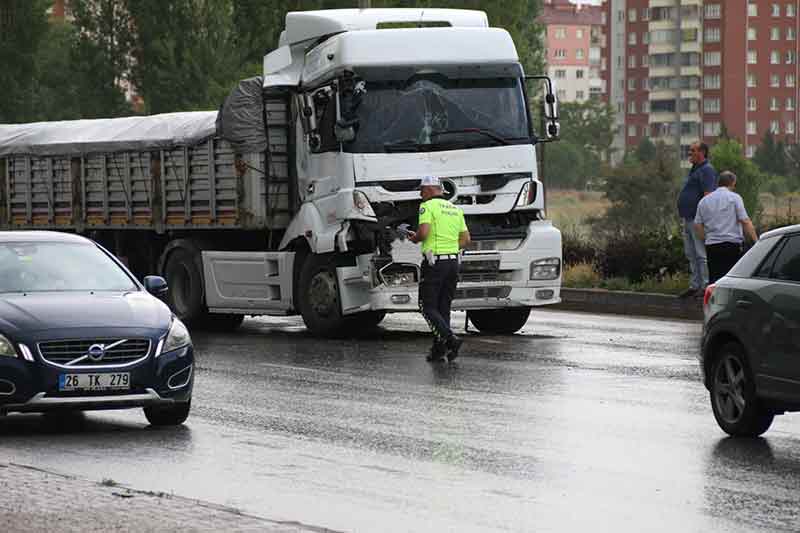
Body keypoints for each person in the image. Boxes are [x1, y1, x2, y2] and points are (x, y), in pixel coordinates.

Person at [408, 176, 471, 362]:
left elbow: (424, 233)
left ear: (429, 189)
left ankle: (450, 339)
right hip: (453, 262)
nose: (420, 194)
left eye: (421, 190)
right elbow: (466, 239)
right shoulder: (455, 209)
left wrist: (415, 238)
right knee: (443, 307)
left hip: (434, 262)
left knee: (426, 306)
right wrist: (450, 248)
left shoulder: (427, 207)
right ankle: (439, 350)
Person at [694, 171, 758, 284]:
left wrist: (706, 239)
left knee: (714, 280)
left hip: (712, 246)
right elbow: (745, 221)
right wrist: (756, 241)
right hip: (731, 246)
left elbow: (697, 226)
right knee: (731, 281)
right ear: (732, 183)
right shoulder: (735, 198)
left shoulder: (704, 201)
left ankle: (713, 301)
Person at [677, 141, 717, 298]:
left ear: (702, 153)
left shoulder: (707, 170)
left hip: (697, 219)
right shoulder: (695, 169)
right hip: (687, 218)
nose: (689, 153)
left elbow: (708, 196)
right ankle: (695, 285)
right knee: (690, 254)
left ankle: (705, 285)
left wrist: (702, 220)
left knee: (701, 254)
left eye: (692, 151)